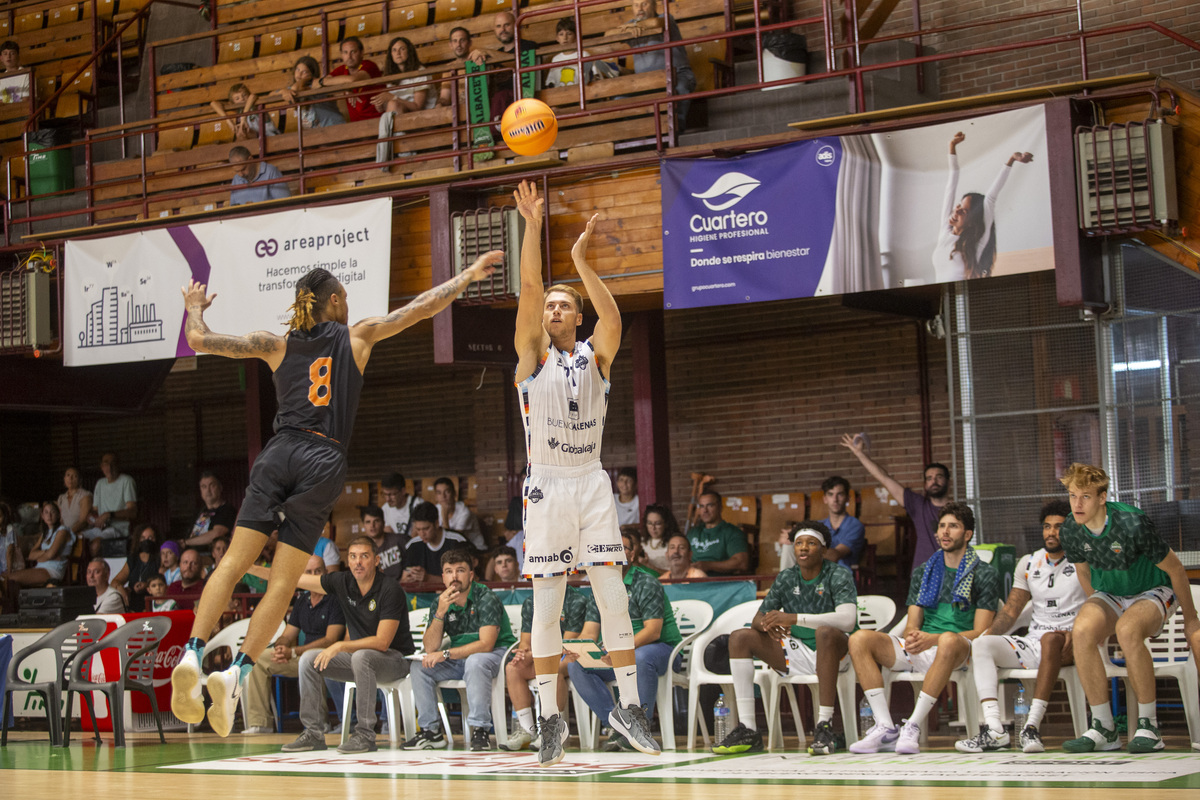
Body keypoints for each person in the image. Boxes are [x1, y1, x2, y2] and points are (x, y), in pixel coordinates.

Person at [169, 250, 502, 738]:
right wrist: (468, 277)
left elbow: (198, 338)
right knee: (282, 586)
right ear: (335, 300)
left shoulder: (275, 343)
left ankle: (193, 654)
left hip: (278, 451)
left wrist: (195, 304)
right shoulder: (357, 336)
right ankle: (236, 673)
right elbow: (420, 310)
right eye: (345, 296)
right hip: (322, 459)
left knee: (231, 565)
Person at [511, 179, 660, 765]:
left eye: (562, 303)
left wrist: (578, 261)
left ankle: (629, 709)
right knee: (546, 606)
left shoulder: (596, 356)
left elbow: (615, 316)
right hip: (547, 483)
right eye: (548, 304)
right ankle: (551, 718)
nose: (552, 309)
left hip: (592, 479)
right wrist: (532, 227)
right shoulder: (531, 355)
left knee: (614, 599)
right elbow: (526, 286)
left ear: (576, 315)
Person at [1057, 462, 1198, 753]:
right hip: (1111, 592)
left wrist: (1192, 620)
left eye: (1084, 496)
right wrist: (1097, 610)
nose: (1077, 503)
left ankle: (1149, 726)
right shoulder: (1071, 528)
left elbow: (1176, 570)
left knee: (1128, 629)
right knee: (1082, 630)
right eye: (1072, 495)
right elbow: (1084, 573)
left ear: (1101, 497)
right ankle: (1104, 729)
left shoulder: (1132, 523)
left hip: (1155, 589)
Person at [848, 502, 1000, 755]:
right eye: (942, 526)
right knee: (859, 639)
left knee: (949, 640)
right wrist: (914, 636)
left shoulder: (984, 573)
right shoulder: (924, 571)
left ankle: (913, 725)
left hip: (960, 649)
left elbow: (982, 632)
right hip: (924, 646)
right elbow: (912, 623)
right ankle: (885, 726)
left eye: (953, 526)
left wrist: (933, 639)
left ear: (968, 534)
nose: (945, 532)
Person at [249, 537, 414, 753]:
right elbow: (292, 579)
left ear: (376, 560)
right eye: (353, 557)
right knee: (309, 660)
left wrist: (339, 646)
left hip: (395, 661)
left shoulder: (389, 588)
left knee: (361, 656)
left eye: (364, 556)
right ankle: (313, 733)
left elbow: (382, 642)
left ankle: (365, 734)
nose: (358, 562)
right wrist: (250, 568)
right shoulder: (343, 582)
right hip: (360, 661)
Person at [712, 522, 857, 756]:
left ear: (823, 548)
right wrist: (769, 624)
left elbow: (848, 620)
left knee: (825, 631)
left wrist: (794, 618)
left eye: (811, 543)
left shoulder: (838, 573)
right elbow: (758, 619)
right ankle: (748, 728)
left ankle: (825, 725)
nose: (803, 548)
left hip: (836, 653)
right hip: (797, 651)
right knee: (740, 637)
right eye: (799, 543)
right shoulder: (787, 577)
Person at [955, 500, 1084, 754]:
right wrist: (986, 637)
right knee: (982, 644)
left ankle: (1031, 727)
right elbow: (1011, 611)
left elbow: (1095, 602)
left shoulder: (1083, 561)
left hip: (1070, 642)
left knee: (1050, 639)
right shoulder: (1028, 562)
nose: (1051, 532)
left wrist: (1079, 631)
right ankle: (994, 729)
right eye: (1047, 526)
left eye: (1058, 527)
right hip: (1035, 640)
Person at [566, 530, 681, 752]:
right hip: (618, 652)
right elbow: (589, 632)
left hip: (659, 651)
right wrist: (576, 649)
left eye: (622, 548)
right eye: (611, 548)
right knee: (576, 665)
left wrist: (620, 650)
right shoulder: (599, 587)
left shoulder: (646, 582)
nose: (615, 553)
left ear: (632, 554)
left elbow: (653, 631)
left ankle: (639, 725)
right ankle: (617, 725)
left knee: (639, 658)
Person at [402, 548, 516, 751]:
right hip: (460, 658)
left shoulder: (486, 597)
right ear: (443, 577)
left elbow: (486, 644)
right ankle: (431, 732)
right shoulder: (440, 602)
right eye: (448, 571)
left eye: (460, 570)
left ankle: (480, 730)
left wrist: (446, 654)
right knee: (419, 668)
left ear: (471, 575)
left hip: (496, 654)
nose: (454, 577)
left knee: (476, 661)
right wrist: (440, 613)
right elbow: (430, 647)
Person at [242, 555, 346, 735]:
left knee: (310, 659)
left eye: (317, 571)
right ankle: (260, 723)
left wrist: (294, 651)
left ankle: (318, 725)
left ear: (326, 573)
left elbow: (331, 639)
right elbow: (288, 634)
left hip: (328, 657)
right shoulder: (302, 600)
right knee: (258, 659)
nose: (313, 576)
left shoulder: (335, 599)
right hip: (301, 655)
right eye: (309, 572)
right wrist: (281, 647)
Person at [933, 131, 1034, 283]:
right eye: (959, 205)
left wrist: (1012, 159)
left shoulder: (977, 242)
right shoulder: (944, 231)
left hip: (965, 295)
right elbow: (951, 184)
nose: (957, 210)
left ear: (972, 221)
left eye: (964, 211)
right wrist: (952, 146)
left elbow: (991, 198)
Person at [840, 432, 949, 570]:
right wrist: (859, 453)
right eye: (929, 478)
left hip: (951, 575)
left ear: (947, 481)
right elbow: (884, 478)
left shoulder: (958, 511)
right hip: (923, 576)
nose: (934, 481)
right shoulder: (918, 505)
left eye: (939, 477)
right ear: (925, 484)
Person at [500, 582, 588, 751]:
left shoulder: (576, 600)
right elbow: (525, 642)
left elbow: (566, 644)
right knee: (513, 667)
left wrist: (534, 654)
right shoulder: (530, 602)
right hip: (540, 654)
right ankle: (526, 730)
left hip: (569, 655)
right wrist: (523, 654)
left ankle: (553, 729)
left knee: (551, 669)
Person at [610, 0, 695, 132]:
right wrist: (630, 28)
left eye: (645, 4)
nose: (640, 8)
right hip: (646, 83)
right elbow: (608, 35)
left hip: (677, 74)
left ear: (655, 6)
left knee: (679, 88)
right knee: (619, 100)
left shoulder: (666, 18)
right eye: (636, 5)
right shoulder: (632, 26)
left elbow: (656, 23)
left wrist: (636, 26)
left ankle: (677, 131)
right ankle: (639, 134)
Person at [778, 476, 866, 571]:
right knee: (788, 546)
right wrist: (787, 540)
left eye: (840, 494)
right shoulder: (818, 526)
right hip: (813, 574)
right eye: (830, 494)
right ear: (825, 499)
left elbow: (834, 555)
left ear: (848, 498)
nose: (835, 499)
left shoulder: (855, 526)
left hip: (838, 577)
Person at [1, 501, 74, 592]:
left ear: (59, 515)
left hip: (52, 571)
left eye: (53, 512)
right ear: (42, 516)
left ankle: (9, 605)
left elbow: (50, 555)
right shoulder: (45, 533)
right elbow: (32, 555)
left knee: (8, 578)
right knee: (3, 577)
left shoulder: (62, 531)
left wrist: (42, 556)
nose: (49, 515)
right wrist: (46, 553)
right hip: (40, 568)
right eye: (46, 512)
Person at [80, 452, 138, 556]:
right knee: (75, 539)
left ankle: (96, 570)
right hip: (100, 528)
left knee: (95, 546)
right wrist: (91, 516)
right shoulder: (100, 483)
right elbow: (95, 510)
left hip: (118, 529)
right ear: (102, 467)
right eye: (106, 464)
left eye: (113, 464)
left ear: (118, 465)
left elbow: (133, 512)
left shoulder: (126, 481)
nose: (109, 468)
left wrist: (109, 515)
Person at [401, 501, 467, 585]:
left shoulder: (457, 541)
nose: (422, 534)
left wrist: (428, 578)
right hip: (421, 597)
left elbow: (465, 581)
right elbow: (403, 581)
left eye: (426, 528)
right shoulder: (413, 546)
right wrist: (408, 579)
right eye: (418, 529)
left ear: (436, 523)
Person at [686, 490, 750, 574]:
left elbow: (742, 563)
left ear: (720, 507)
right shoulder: (692, 533)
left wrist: (708, 565)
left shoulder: (732, 532)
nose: (705, 510)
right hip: (693, 582)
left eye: (710, 505)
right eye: (701, 506)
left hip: (720, 583)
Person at [323, 37, 383, 122]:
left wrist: (346, 86)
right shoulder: (342, 69)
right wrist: (345, 87)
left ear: (362, 53)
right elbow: (318, 83)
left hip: (378, 120)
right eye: (345, 52)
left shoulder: (369, 65)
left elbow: (353, 79)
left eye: (353, 52)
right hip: (356, 126)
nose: (349, 56)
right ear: (341, 55)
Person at [372, 36, 434, 115]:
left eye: (402, 49)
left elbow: (418, 107)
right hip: (401, 112)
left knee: (393, 104)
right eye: (394, 50)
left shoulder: (420, 71)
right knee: (392, 104)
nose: (398, 53)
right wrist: (380, 105)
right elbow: (391, 104)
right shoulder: (390, 75)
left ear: (409, 51)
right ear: (391, 54)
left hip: (424, 115)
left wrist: (392, 98)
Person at [280, 55, 344, 129]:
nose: (299, 74)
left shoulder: (317, 85)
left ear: (312, 75)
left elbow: (296, 88)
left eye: (304, 72)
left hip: (335, 128)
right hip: (319, 134)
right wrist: (283, 91)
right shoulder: (291, 89)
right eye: (297, 70)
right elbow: (271, 94)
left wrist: (304, 80)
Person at [111, 523, 161, 607]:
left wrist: (147, 585)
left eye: (150, 538)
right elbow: (115, 582)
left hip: (153, 604)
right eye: (143, 538)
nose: (146, 541)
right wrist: (120, 588)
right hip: (133, 604)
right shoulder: (133, 559)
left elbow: (165, 583)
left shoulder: (159, 559)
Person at [209, 83, 279, 141]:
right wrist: (228, 120)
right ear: (233, 103)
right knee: (241, 133)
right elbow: (213, 103)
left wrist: (243, 118)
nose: (242, 99)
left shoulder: (255, 105)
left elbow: (253, 96)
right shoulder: (238, 109)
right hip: (256, 139)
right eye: (237, 98)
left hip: (271, 136)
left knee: (242, 132)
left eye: (244, 95)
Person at [185, 472, 237, 549]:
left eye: (212, 485)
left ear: (220, 488)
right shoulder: (199, 512)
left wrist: (186, 542)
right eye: (204, 487)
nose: (208, 490)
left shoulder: (227, 509)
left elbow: (217, 534)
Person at [433, 478, 484, 550]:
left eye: (447, 492)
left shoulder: (464, 512)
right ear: (435, 497)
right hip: (455, 550)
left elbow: (453, 540)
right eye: (439, 493)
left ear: (454, 493)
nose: (443, 496)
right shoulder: (435, 509)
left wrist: (444, 517)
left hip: (474, 548)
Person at [359, 504, 403, 582]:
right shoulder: (361, 552)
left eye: (376, 521)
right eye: (368, 522)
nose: (372, 526)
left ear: (383, 523)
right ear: (363, 525)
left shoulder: (399, 541)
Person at [380, 472, 427, 537]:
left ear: (403, 491)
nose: (388, 499)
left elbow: (418, 532)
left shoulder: (418, 504)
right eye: (385, 494)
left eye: (392, 494)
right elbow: (388, 532)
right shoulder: (385, 508)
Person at [639, 503, 679, 572]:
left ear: (666, 524)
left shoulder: (674, 543)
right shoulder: (641, 542)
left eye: (657, 523)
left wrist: (650, 566)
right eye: (649, 523)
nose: (653, 527)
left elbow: (677, 574)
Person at [57, 466, 93, 537]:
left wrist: (68, 534)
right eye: (68, 475)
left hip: (81, 533)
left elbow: (83, 522)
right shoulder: (61, 498)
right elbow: (61, 520)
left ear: (79, 480)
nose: (70, 478)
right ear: (64, 479)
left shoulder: (85, 496)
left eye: (75, 476)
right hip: (65, 535)